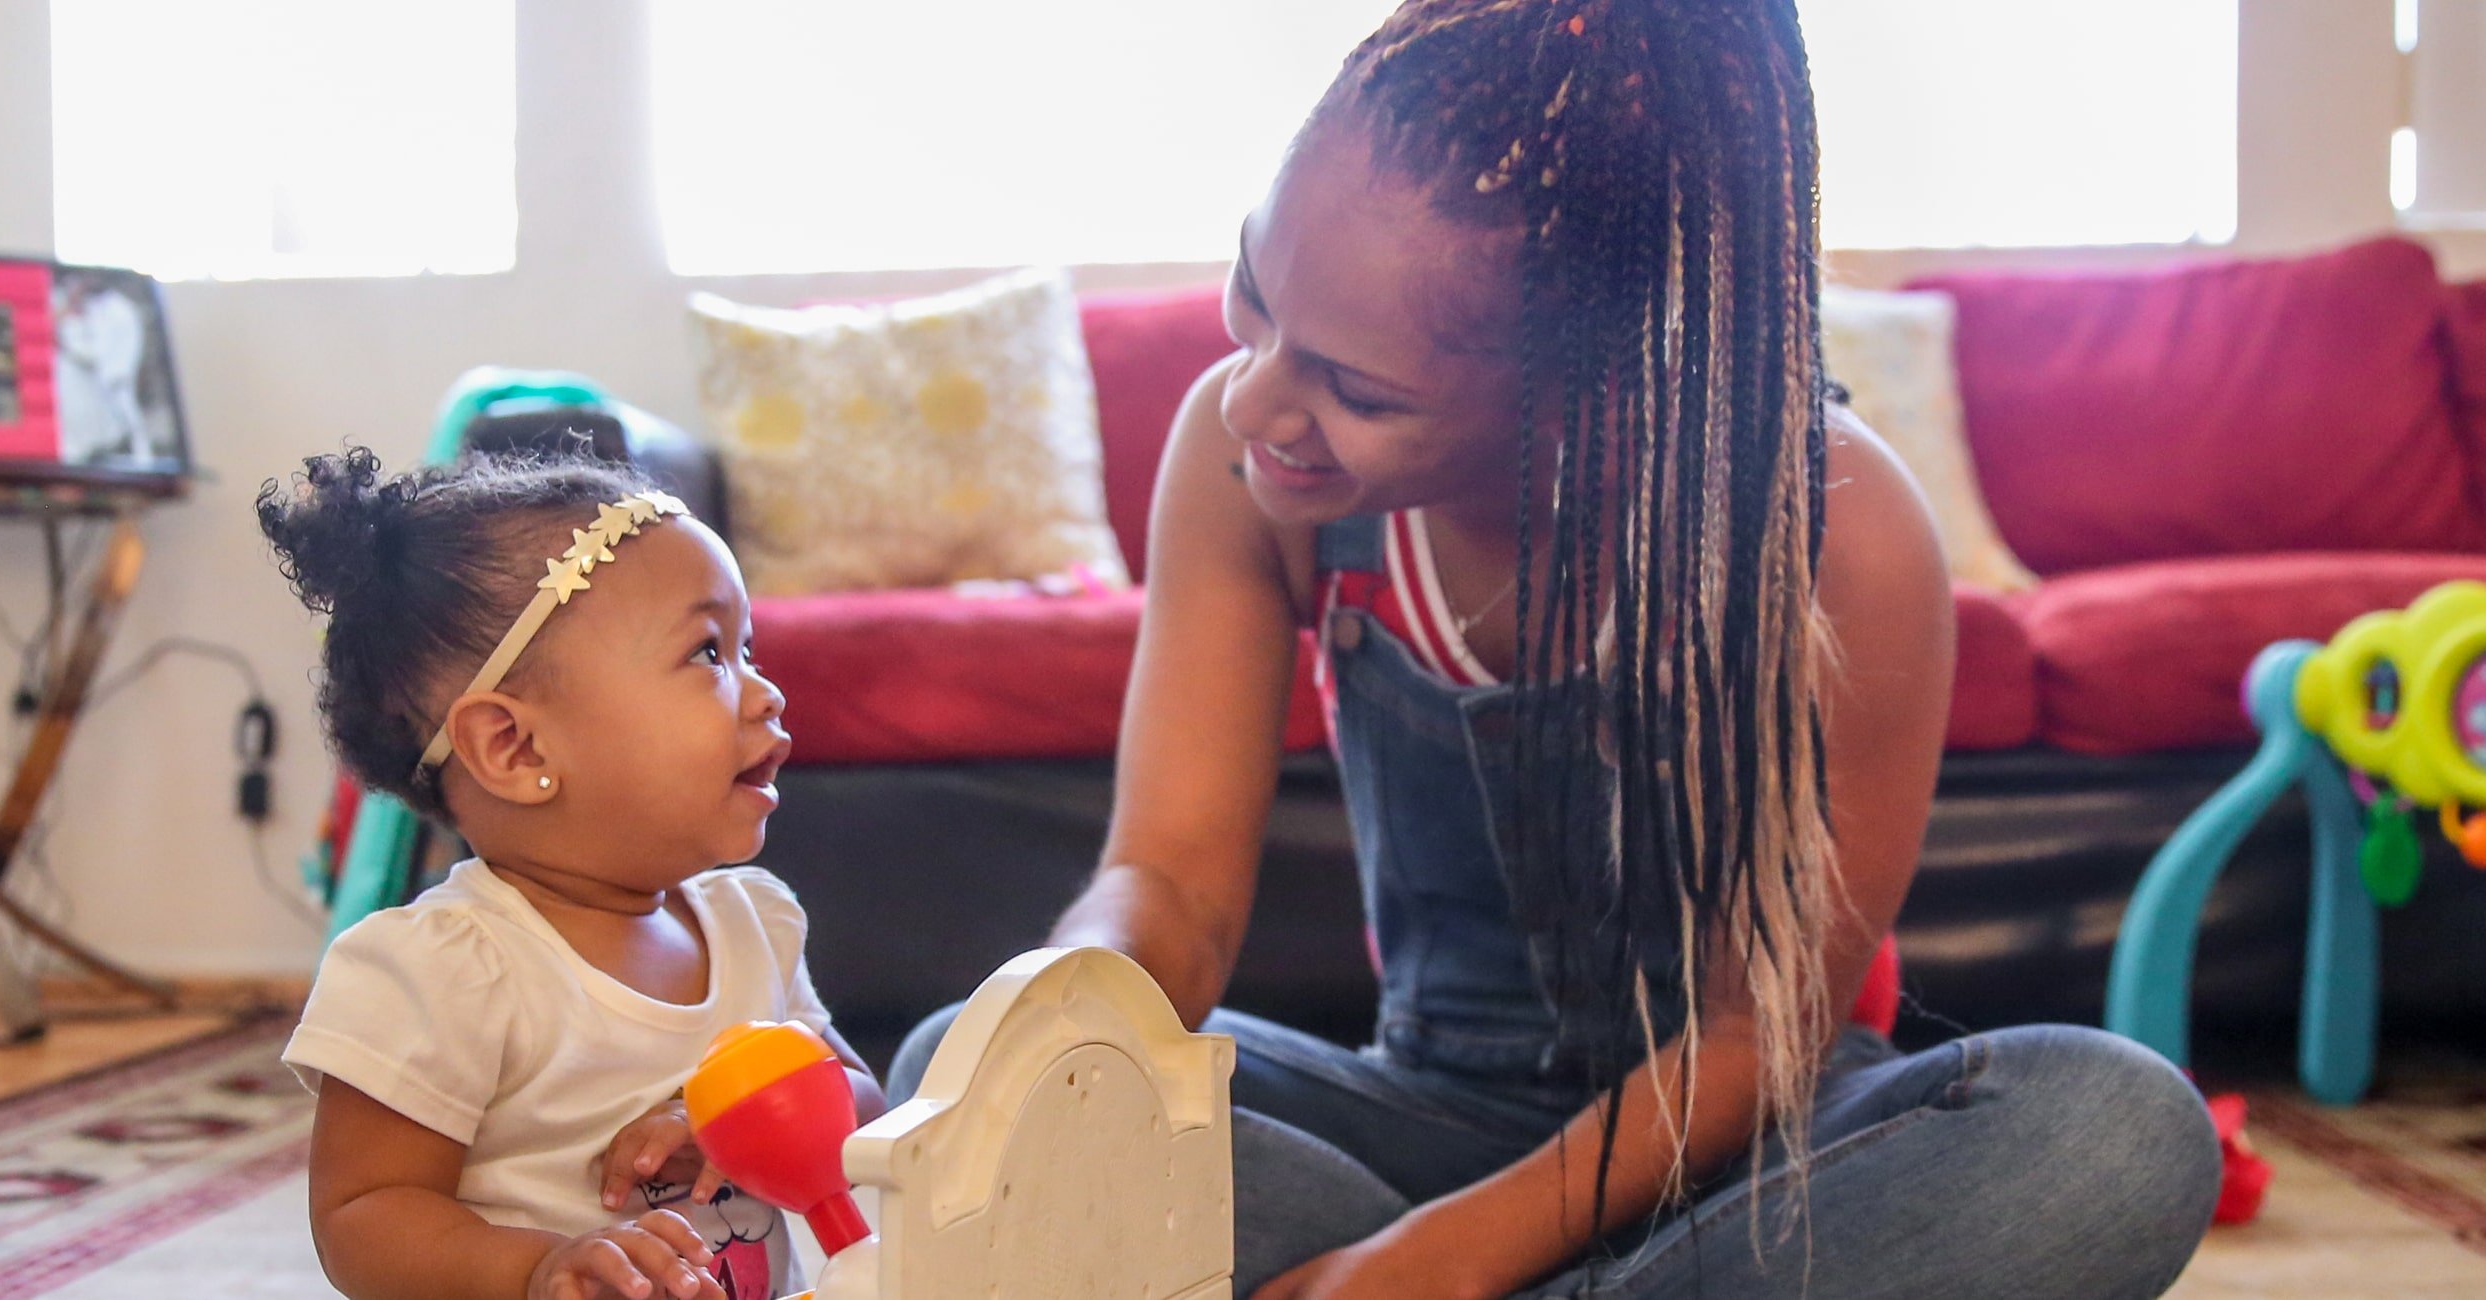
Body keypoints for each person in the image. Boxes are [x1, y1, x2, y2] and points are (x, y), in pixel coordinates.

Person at [890, 2, 2220, 1295]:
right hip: (1418, 1121)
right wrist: (1049, 1030)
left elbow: (1762, 1033)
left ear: (1598, 388)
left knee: (2115, 1135)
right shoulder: (1241, 464)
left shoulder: (1836, 535)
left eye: (1355, 389)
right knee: (969, 1060)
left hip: (1742, 1154)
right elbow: (1169, 889)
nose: (1256, 397)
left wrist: (1446, 1263)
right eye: (1254, 293)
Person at [264, 448, 876, 1300]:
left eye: (749, 647)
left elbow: (862, 1104)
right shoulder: (443, 971)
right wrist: (536, 1267)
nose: (768, 693)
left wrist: (759, 1117)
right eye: (708, 653)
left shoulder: (754, 923)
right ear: (515, 748)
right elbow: (362, 1215)